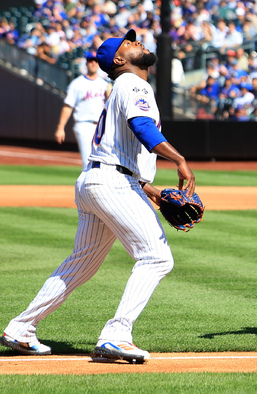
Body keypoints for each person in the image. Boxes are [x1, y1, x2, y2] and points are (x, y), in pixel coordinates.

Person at [0, 30, 196, 364]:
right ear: (119, 60)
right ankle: (117, 334)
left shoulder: (121, 87)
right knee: (156, 258)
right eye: (129, 43)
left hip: (99, 180)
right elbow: (143, 127)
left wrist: (147, 189)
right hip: (112, 183)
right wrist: (179, 160)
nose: (137, 42)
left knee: (81, 264)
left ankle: (21, 327)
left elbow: (118, 148)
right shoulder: (134, 83)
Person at [55, 51, 111, 169]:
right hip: (84, 124)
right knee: (88, 162)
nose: (93, 63)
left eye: (96, 61)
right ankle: (85, 187)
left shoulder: (104, 84)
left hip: (101, 126)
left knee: (103, 162)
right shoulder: (77, 84)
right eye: (91, 60)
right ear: (86, 63)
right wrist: (60, 128)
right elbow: (68, 106)